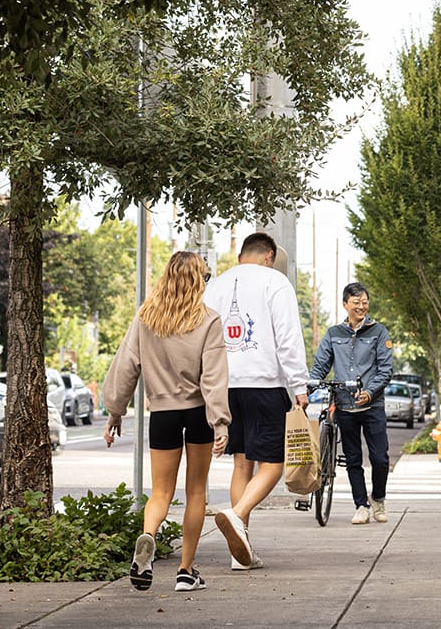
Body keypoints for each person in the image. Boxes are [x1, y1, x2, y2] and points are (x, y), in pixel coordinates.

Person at [101, 251, 230, 592]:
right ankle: (186, 572)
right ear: (197, 281)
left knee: (160, 491)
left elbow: (126, 365)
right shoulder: (209, 320)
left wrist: (116, 410)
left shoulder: (146, 318)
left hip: (162, 413)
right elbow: (214, 378)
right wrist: (220, 422)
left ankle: (148, 537)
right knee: (196, 492)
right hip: (199, 412)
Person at [202, 232, 309, 570]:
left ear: (241, 256)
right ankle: (236, 514)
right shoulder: (275, 282)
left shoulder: (215, 285)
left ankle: (240, 552)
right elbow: (288, 336)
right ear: (269, 256)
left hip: (224, 386)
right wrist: (299, 384)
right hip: (265, 383)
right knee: (274, 463)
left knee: (241, 463)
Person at [309, 282, 394, 525]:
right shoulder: (334, 333)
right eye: (356, 302)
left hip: (372, 405)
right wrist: (308, 386)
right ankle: (361, 505)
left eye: (364, 302)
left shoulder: (379, 332)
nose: (361, 306)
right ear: (345, 304)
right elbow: (321, 365)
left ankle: (378, 498)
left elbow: (385, 370)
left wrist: (369, 391)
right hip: (344, 405)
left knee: (380, 458)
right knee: (353, 458)